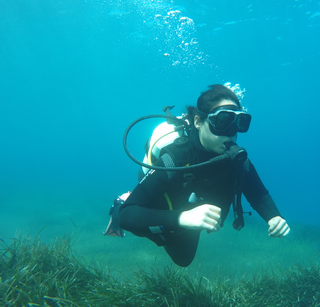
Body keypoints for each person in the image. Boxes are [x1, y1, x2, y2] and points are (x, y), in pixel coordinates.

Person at [116, 84, 289, 267]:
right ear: (198, 122)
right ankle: (122, 199)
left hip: (196, 211)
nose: (230, 133)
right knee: (173, 246)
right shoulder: (174, 158)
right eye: (222, 121)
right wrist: (182, 218)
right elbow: (126, 215)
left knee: (183, 260)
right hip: (169, 207)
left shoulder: (236, 159)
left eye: (238, 123)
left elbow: (257, 194)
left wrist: (274, 217)